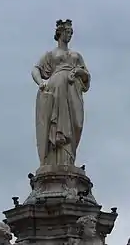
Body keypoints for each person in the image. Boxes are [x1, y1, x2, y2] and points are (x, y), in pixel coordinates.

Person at [31, 19, 91, 166]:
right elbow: (35, 70)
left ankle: (69, 160)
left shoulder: (76, 55)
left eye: (71, 32)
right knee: (56, 124)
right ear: (60, 33)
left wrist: (78, 71)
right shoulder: (51, 54)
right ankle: (55, 161)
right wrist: (41, 83)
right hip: (56, 89)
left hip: (73, 91)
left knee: (74, 123)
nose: (69, 35)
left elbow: (87, 76)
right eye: (67, 32)